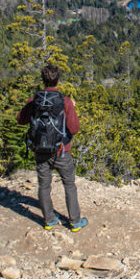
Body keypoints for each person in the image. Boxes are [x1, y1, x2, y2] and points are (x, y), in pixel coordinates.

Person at [17, 64, 87, 232]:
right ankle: (75, 221)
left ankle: (49, 220)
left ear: (42, 81)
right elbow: (74, 129)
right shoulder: (65, 102)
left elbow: (20, 120)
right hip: (61, 151)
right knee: (69, 184)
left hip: (40, 150)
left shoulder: (34, 100)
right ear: (59, 81)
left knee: (44, 185)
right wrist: (72, 109)